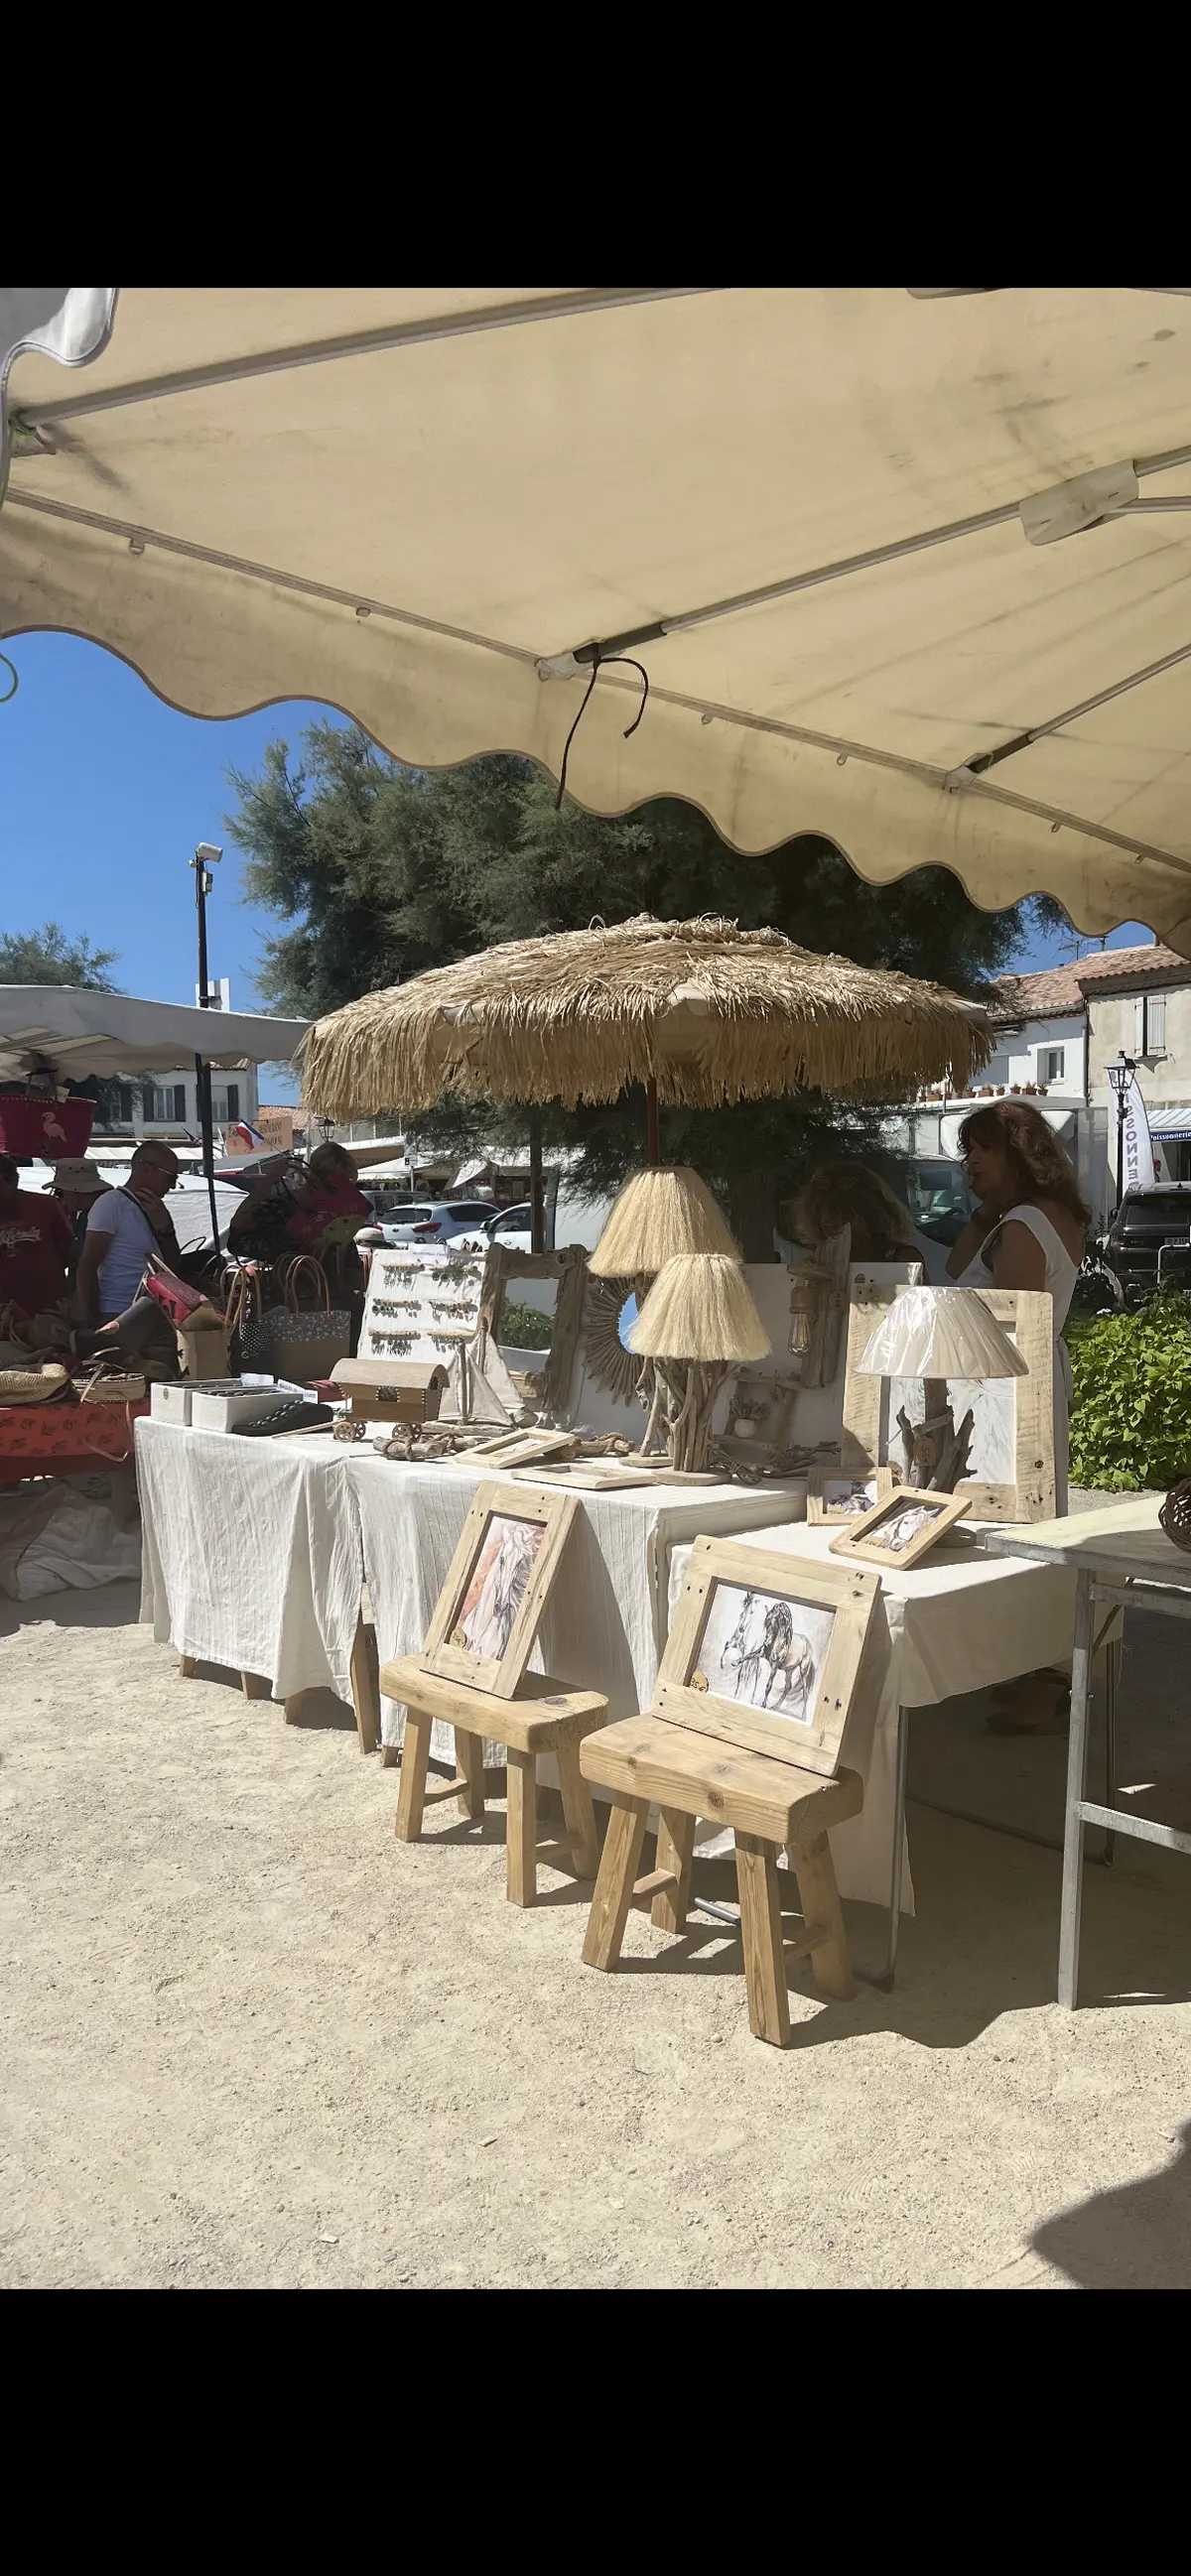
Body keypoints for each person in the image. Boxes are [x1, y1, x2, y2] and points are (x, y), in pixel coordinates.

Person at [947, 1100, 1091, 1732]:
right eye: (968, 1150)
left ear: (1019, 1154)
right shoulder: (1029, 1216)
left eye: (986, 1149)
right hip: (1023, 1385)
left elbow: (1010, 1323)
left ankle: (1049, 1678)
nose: (971, 1161)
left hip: (1010, 1390)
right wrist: (988, 1210)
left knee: (1024, 1530)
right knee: (1030, 1525)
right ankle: (1037, 1668)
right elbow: (957, 1266)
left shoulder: (1026, 1224)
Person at [72, 1141, 193, 1371]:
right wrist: (92, 1323)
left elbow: (172, 1268)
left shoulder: (152, 1209)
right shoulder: (111, 1203)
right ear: (146, 1169)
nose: (172, 1186)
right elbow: (87, 1265)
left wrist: (166, 1228)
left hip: (151, 1313)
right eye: (170, 1177)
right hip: (119, 1315)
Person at [227, 1141, 370, 1273]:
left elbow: (352, 1271)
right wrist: (268, 1182)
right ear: (315, 1177)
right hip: (288, 1288)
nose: (342, 1192)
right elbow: (237, 1240)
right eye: (337, 1185)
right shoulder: (279, 1208)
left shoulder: (336, 1215)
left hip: (332, 1289)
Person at [788, 1164, 920, 1264]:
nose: (833, 1233)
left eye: (842, 1223)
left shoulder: (903, 1258)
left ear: (868, 1217)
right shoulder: (824, 1262)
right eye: (827, 1225)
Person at [0, 1150, 73, 1324]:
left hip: (47, 1308)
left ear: (11, 1180)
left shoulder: (46, 1205)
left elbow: (68, 1249)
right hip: (4, 1312)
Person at [50, 1157, 113, 1296]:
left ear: (75, 1190)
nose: (60, 1199)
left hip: (93, 1298)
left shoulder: (90, 1217)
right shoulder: (100, 1211)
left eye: (59, 1192)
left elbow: (84, 1266)